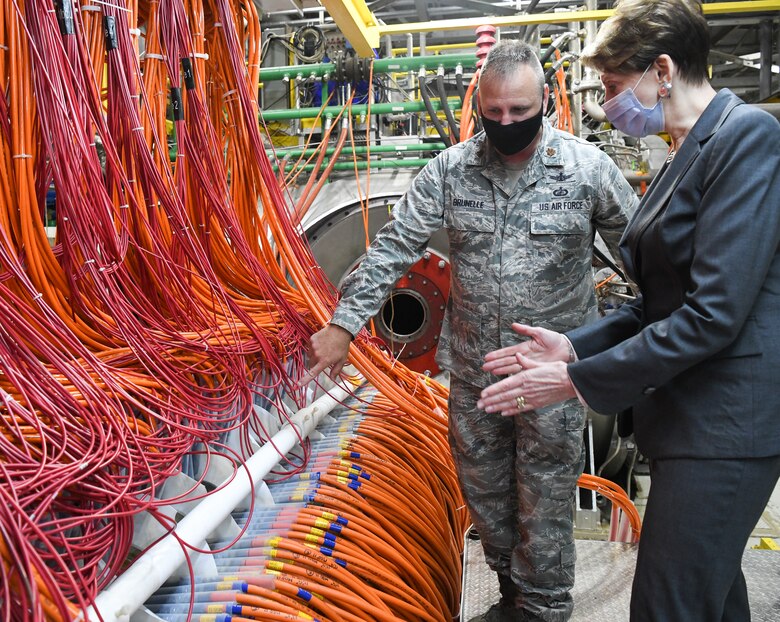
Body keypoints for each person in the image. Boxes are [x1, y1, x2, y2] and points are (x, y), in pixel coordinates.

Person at [303, 39, 637, 622]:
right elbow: (393, 248)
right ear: (479, 104)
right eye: (495, 112)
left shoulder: (587, 170)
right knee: (485, 500)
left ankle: (544, 609)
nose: (506, 124)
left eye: (520, 113)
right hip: (474, 375)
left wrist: (664, 343)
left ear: (545, 107)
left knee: (544, 505)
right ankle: (513, 598)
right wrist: (343, 325)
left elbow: (642, 255)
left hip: (551, 379)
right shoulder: (450, 172)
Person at [476, 2, 780, 621]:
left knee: (667, 606)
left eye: (615, 87)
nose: (610, 104)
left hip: (726, 425)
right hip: (690, 418)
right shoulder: (684, 152)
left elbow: (714, 313)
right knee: (712, 601)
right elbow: (658, 301)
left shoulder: (746, 137)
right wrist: (575, 346)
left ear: (661, 70)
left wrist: (576, 382)